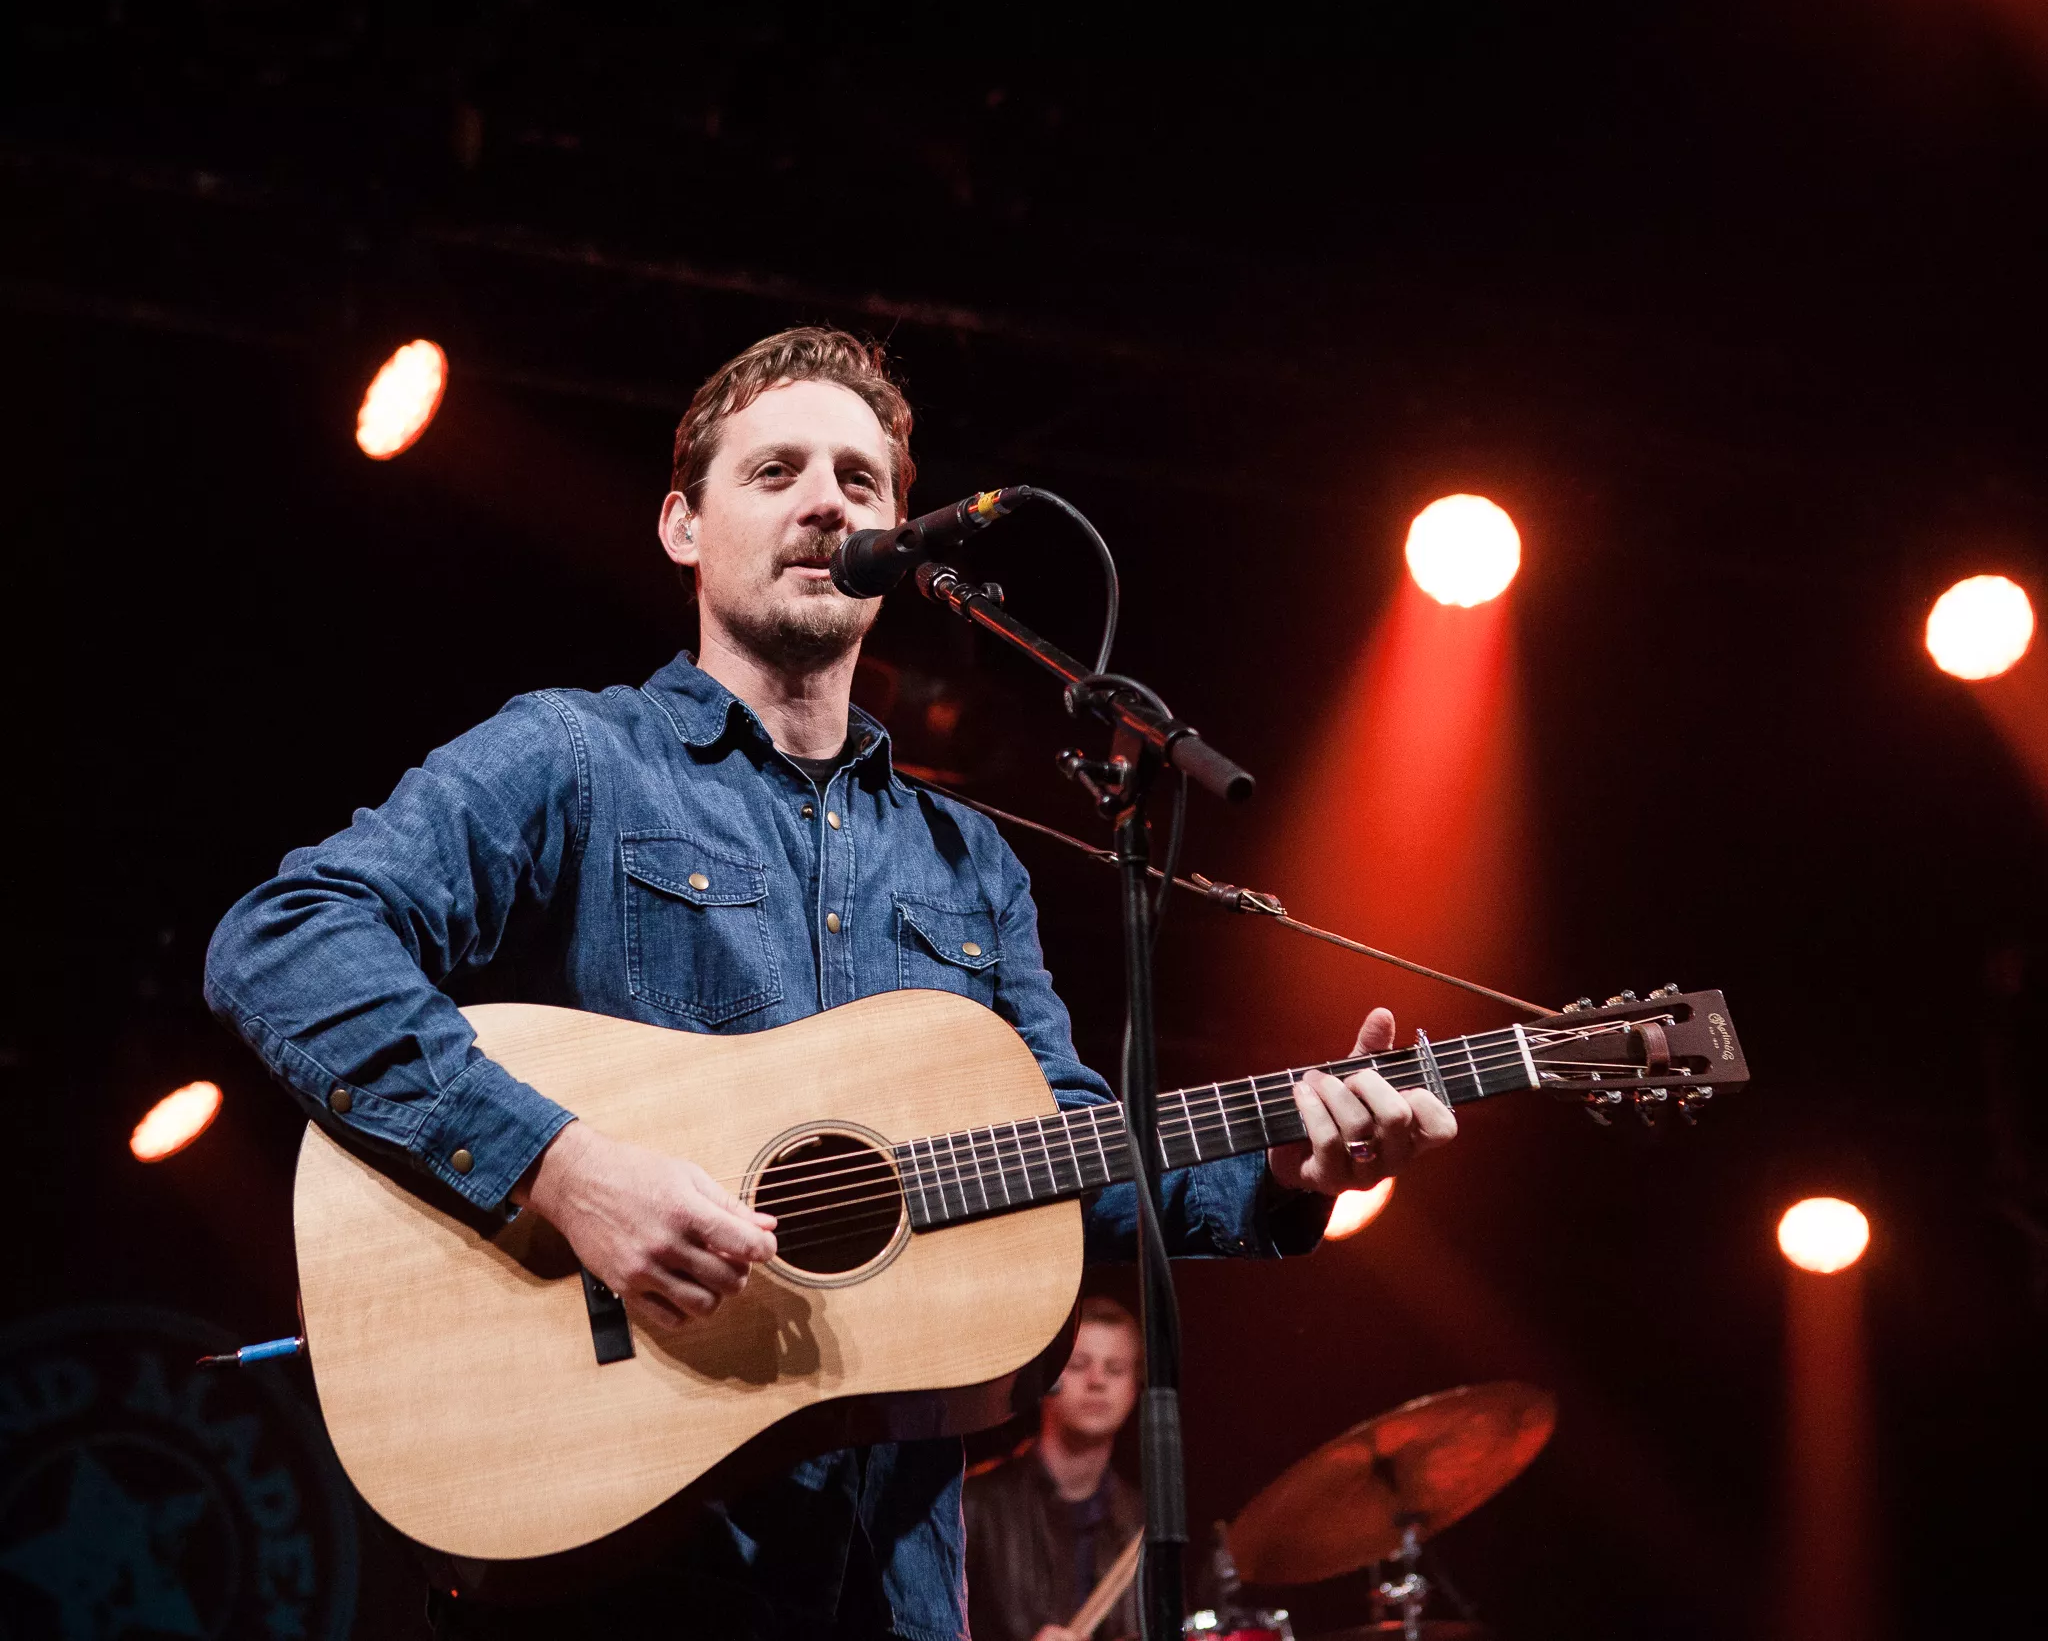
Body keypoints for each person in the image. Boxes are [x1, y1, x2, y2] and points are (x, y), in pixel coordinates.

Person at [204, 327, 1457, 1641]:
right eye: (776, 471)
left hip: (892, 1582)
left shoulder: (971, 863)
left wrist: (1282, 1171)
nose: (825, 502)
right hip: (625, 1571)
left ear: (900, 546)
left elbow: (1067, 1163)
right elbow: (283, 936)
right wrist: (561, 1166)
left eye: (860, 482)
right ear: (683, 527)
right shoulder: (575, 756)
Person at [965, 1298, 1147, 1641]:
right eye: (1077, 1364)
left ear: (1134, 1388)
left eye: (1115, 1369)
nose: (1097, 1380)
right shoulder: (974, 1507)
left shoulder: (1143, 1520)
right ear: (1045, 1378)